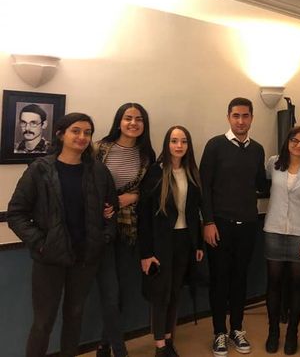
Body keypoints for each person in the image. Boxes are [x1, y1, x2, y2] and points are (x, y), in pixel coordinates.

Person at [7, 112, 117, 357]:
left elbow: (111, 210)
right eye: (76, 131)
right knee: (43, 322)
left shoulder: (99, 172)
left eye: (87, 132)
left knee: (75, 316)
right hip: (50, 259)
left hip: (85, 258)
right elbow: (16, 213)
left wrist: (104, 237)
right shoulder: (40, 170)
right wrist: (41, 243)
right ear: (61, 134)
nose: (82, 137)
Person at [200, 97, 268, 356]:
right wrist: (208, 222)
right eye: (236, 116)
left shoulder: (257, 149)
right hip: (219, 225)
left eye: (245, 116)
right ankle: (219, 331)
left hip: (248, 225)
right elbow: (205, 187)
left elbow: (260, 183)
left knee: (240, 278)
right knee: (220, 280)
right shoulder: (215, 145)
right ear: (228, 117)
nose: (241, 121)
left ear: (252, 118)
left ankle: (236, 329)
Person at [94, 103, 155, 357]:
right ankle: (118, 349)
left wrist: (133, 197)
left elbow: (150, 191)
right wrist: (103, 204)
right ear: (119, 121)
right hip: (98, 228)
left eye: (139, 119)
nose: (133, 123)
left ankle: (104, 345)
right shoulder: (99, 148)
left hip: (128, 229)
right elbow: (85, 182)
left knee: (119, 291)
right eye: (128, 118)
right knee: (110, 291)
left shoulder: (146, 155)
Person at [138, 126, 205, 356]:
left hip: (185, 240)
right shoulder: (155, 173)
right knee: (161, 294)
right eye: (174, 141)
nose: (179, 145)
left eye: (184, 141)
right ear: (167, 144)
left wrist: (198, 244)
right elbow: (144, 216)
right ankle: (160, 346)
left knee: (175, 292)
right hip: (161, 243)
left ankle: (168, 339)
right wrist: (146, 253)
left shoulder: (192, 173)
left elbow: (195, 213)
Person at [263, 126, 300, 355]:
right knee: (274, 283)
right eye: (294, 140)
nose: (298, 145)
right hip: (274, 231)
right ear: (287, 142)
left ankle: (292, 333)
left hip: (299, 235)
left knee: (298, 284)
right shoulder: (274, 164)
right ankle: (273, 332)